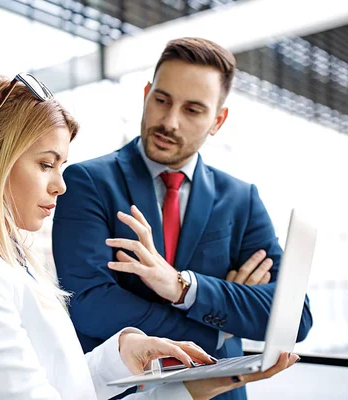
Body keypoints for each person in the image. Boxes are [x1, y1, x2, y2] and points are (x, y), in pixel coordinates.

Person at [0, 74, 299, 400]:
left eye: (62, 165)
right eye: (46, 164)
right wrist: (184, 391)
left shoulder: (6, 257)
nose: (60, 186)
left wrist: (122, 352)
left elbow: (61, 385)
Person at [52, 37, 313, 400]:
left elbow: (294, 317)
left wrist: (183, 288)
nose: (169, 121)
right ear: (146, 94)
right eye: (161, 100)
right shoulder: (87, 182)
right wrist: (219, 329)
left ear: (217, 121)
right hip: (124, 391)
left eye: (192, 110)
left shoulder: (241, 200)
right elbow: (90, 305)